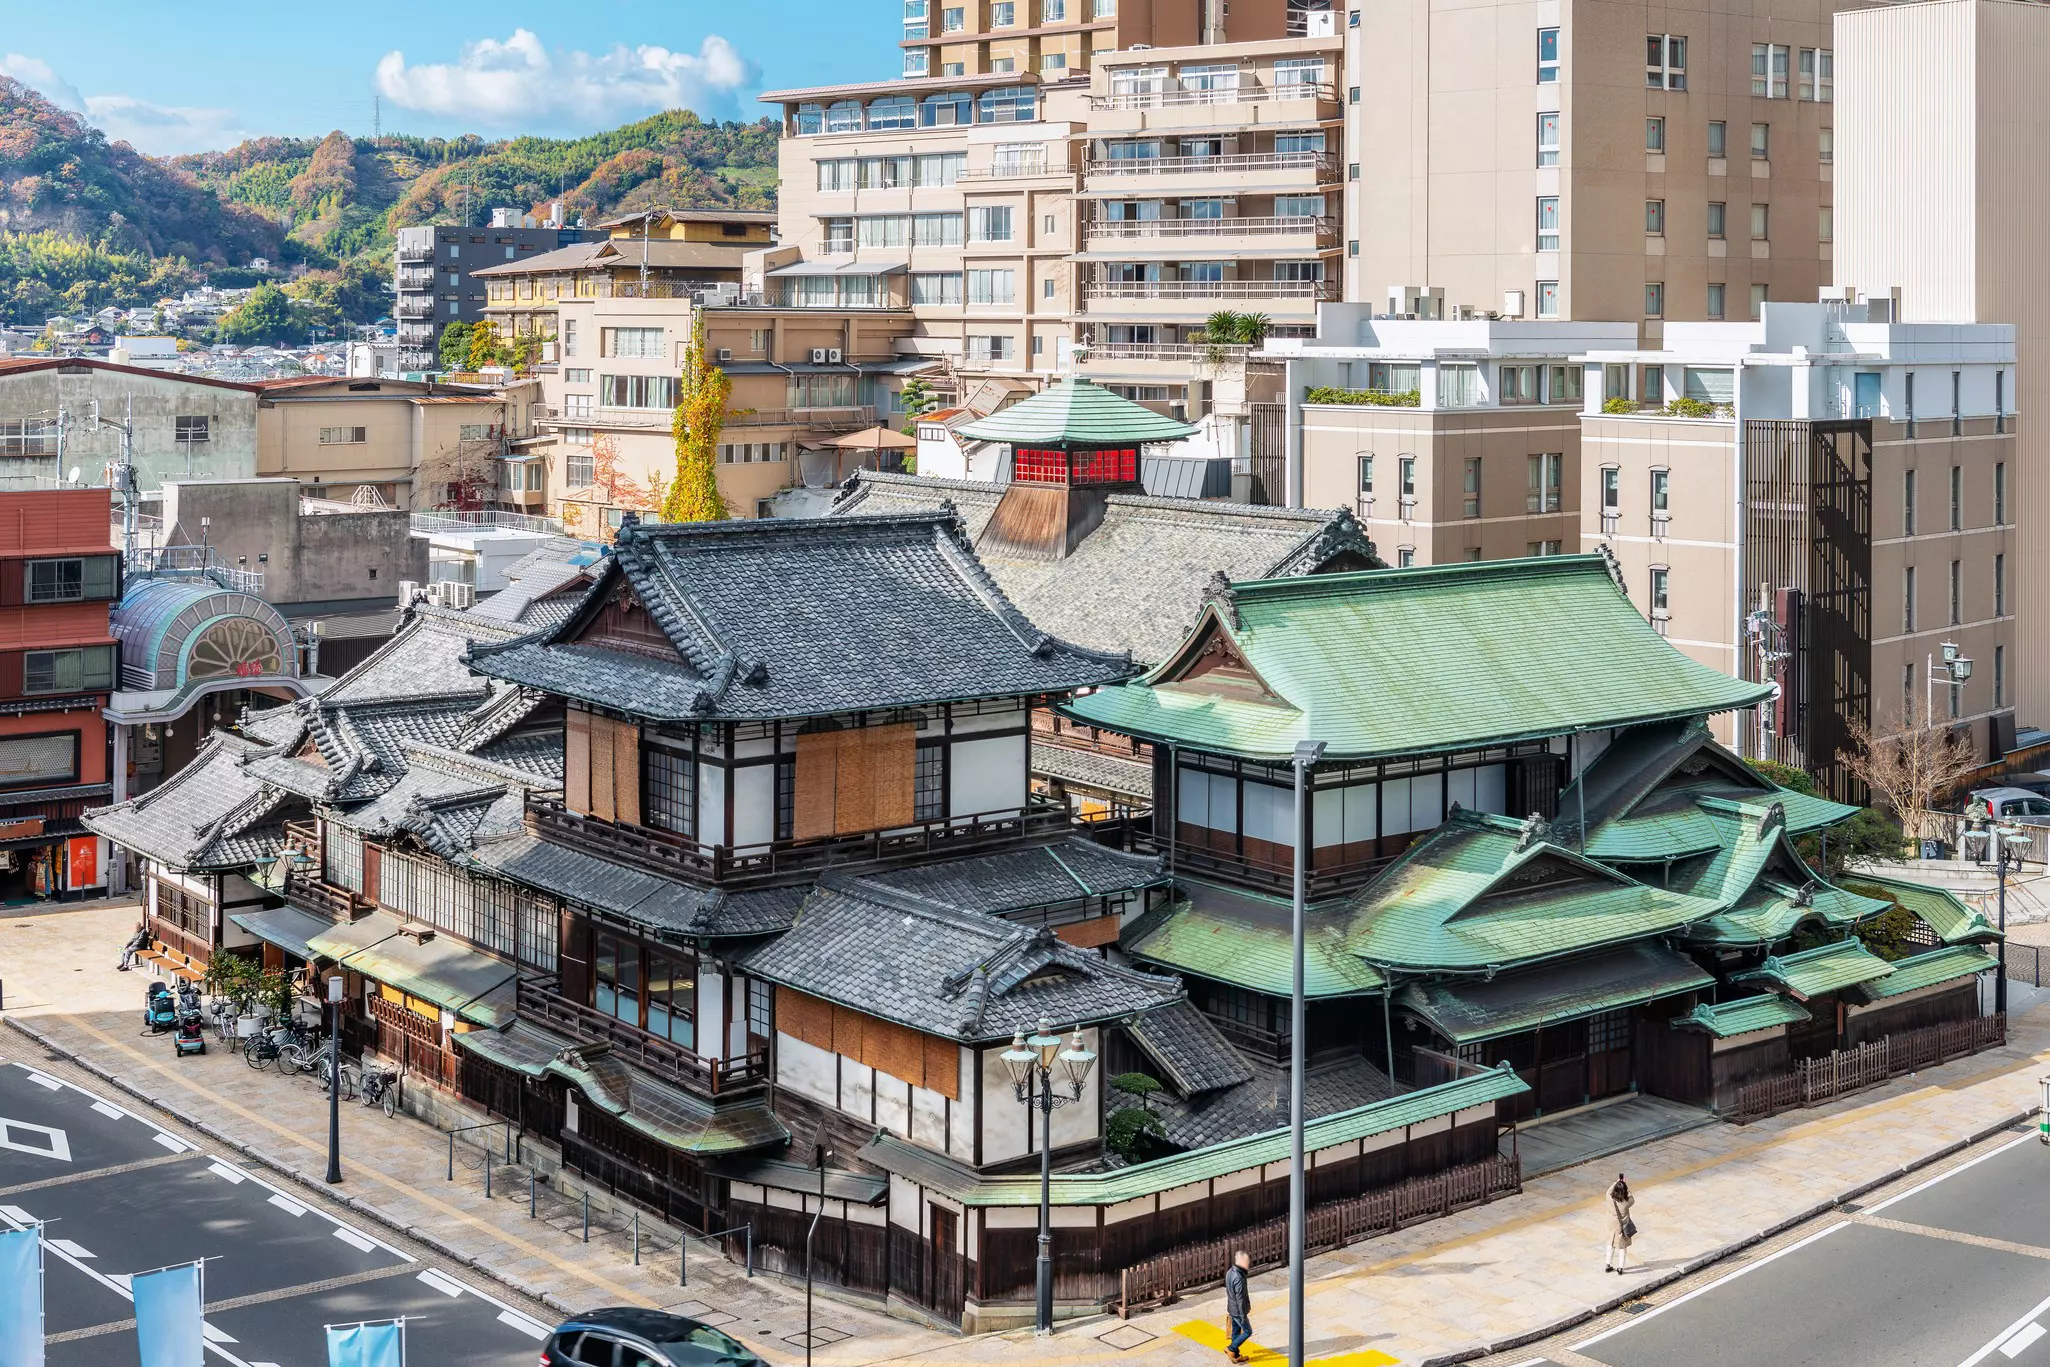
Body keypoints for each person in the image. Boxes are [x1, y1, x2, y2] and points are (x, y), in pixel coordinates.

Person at [1224, 1250, 1252, 1363]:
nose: (1248, 1263)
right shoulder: (1239, 1278)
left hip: (1231, 1307)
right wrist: (1243, 1316)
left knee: (1236, 1331)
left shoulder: (1230, 1272)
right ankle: (1231, 1348)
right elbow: (1240, 1299)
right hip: (1238, 1310)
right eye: (1246, 1261)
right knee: (1247, 1331)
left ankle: (1235, 1355)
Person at [1604, 1173, 1636, 1273]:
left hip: (1611, 1224)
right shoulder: (1626, 1202)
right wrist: (1625, 1188)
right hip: (1622, 1226)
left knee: (1610, 1243)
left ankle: (1608, 1264)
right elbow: (1632, 1198)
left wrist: (1617, 1182)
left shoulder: (1609, 1198)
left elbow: (1609, 1190)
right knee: (1622, 1246)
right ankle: (1620, 1267)